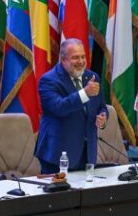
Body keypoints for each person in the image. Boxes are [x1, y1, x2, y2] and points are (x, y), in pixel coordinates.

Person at [35, 38, 108, 174]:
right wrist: (84, 93)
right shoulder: (48, 80)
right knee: (59, 195)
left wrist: (103, 117)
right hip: (58, 155)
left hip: (87, 153)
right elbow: (59, 107)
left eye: (83, 57)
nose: (81, 62)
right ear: (63, 60)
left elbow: (101, 106)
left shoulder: (92, 77)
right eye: (75, 58)